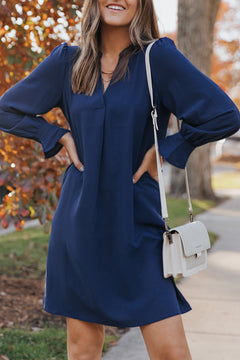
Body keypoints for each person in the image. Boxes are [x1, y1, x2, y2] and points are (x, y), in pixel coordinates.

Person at [0, 0, 240, 359]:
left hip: (137, 221)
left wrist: (167, 147)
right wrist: (58, 136)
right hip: (80, 222)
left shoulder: (157, 59)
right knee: (82, 351)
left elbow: (224, 115)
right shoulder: (68, 61)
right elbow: (7, 109)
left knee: (171, 352)